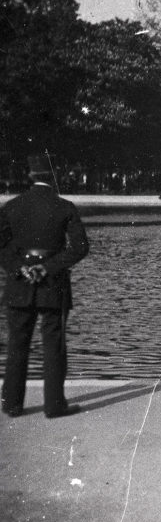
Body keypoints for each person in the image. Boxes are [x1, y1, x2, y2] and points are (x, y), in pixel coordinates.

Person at [0, 155, 89, 418]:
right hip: (53, 284)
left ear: (30, 176)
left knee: (17, 344)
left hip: (19, 283)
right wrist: (47, 267)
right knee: (54, 345)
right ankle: (54, 405)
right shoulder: (64, 207)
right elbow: (80, 247)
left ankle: (12, 404)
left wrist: (20, 267)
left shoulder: (11, 207)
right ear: (54, 176)